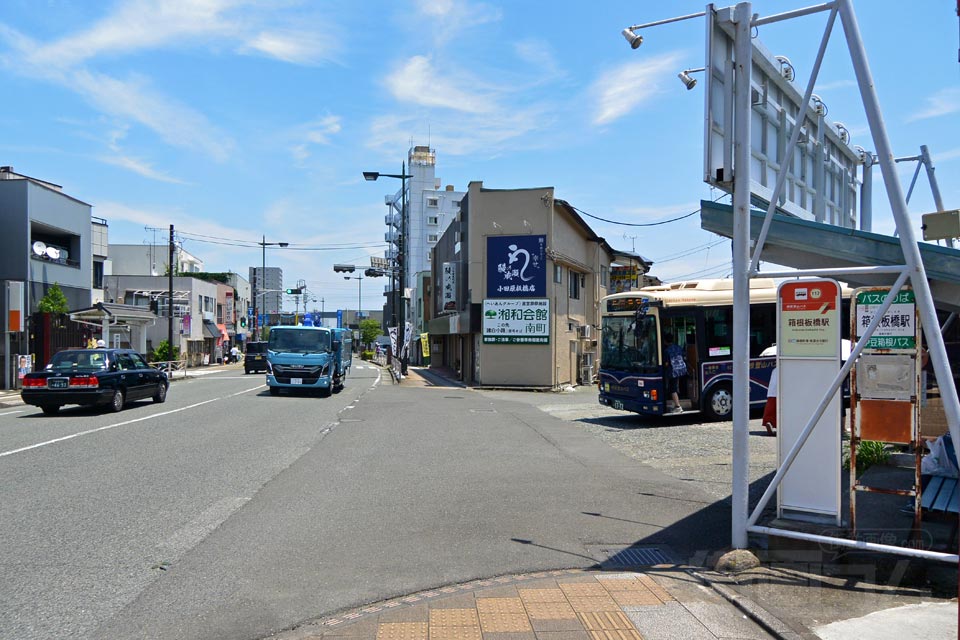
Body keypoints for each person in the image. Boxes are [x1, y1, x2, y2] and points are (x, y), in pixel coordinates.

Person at [663, 332, 686, 414]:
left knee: (673, 389)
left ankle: (678, 406)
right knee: (676, 386)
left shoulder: (666, 351)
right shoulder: (678, 347)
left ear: (665, 341)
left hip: (672, 371)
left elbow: (666, 364)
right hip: (681, 370)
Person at [762, 368, 778, 436]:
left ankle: (769, 422)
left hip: (772, 393)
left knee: (771, 408)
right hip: (783, 392)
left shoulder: (775, 370)